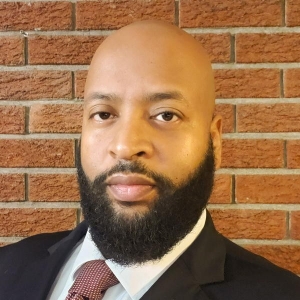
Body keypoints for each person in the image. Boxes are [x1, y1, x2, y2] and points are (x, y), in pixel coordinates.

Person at [0, 20, 299, 300]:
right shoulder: (7, 267)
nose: (126, 146)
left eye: (166, 115)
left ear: (214, 142)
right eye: (104, 114)